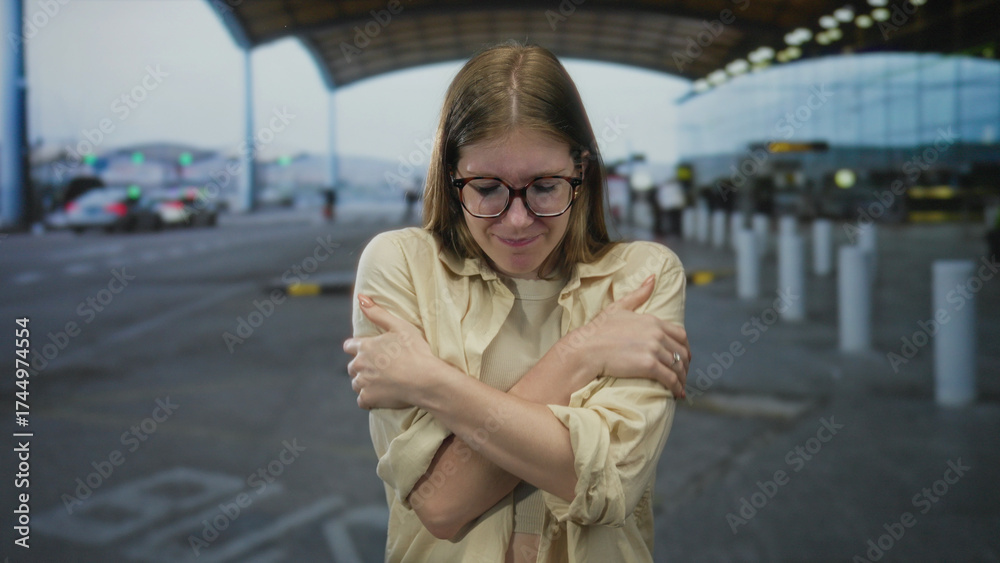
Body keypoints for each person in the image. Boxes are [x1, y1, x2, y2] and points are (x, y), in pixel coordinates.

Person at [343, 42, 691, 563]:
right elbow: (440, 505)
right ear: (450, 176)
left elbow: (605, 486)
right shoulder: (401, 265)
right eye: (486, 189)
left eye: (545, 187)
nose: (517, 220)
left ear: (583, 171)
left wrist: (431, 382)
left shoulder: (642, 275)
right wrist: (583, 353)